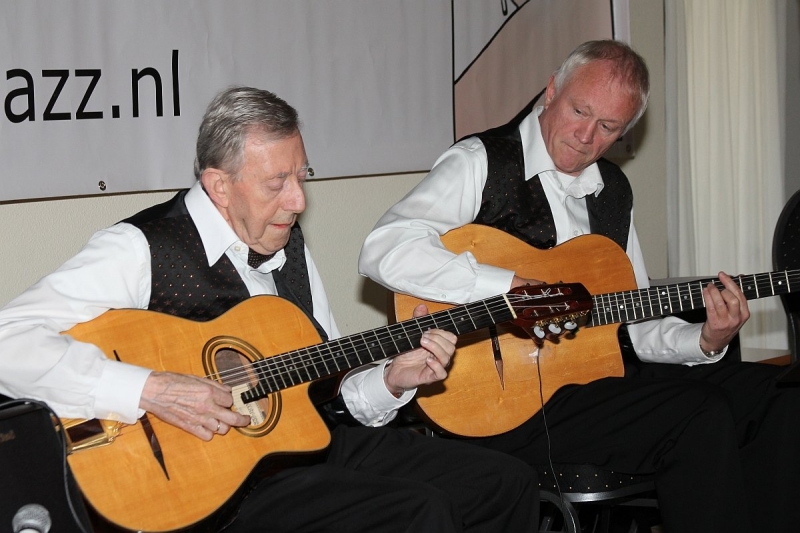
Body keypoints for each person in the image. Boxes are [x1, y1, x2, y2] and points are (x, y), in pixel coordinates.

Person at [0, 87, 540, 532]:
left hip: (299, 452)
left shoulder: (287, 244)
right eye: (277, 183)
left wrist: (394, 379)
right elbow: (9, 341)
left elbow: (326, 391)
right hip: (217, 489)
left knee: (503, 482)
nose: (298, 201)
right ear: (219, 186)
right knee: (418, 510)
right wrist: (151, 388)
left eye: (302, 176)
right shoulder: (140, 248)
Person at [358, 40, 800, 533]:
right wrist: (510, 287)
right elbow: (383, 248)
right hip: (506, 403)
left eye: (608, 127)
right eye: (579, 111)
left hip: (598, 385)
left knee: (779, 395)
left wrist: (705, 339)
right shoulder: (481, 162)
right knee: (699, 413)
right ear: (551, 91)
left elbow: (634, 322)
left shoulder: (612, 192)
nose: (586, 136)